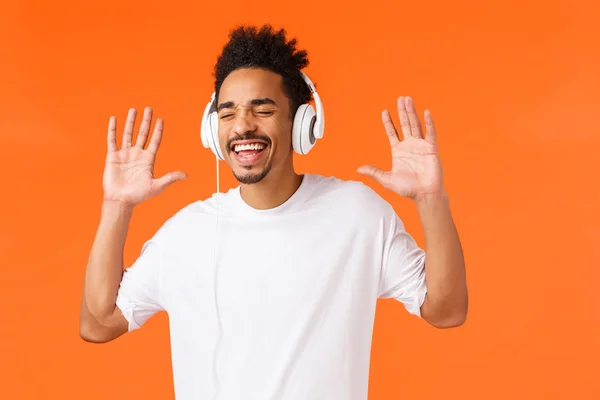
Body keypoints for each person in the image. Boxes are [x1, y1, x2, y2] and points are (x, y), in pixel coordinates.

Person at [79, 24, 468, 400]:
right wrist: (117, 205)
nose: (242, 126)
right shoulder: (185, 234)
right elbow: (99, 323)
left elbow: (447, 310)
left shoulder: (357, 215)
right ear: (212, 130)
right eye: (227, 113)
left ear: (302, 123)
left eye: (261, 110)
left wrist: (430, 199)